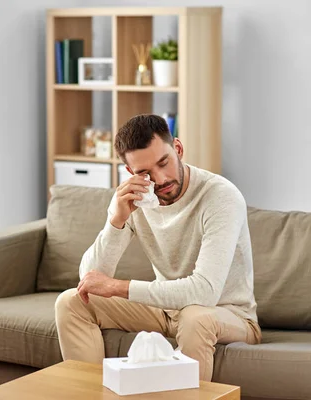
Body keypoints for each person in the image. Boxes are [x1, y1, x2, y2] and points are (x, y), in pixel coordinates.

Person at [54, 114, 261, 381]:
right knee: (71, 302)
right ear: (131, 173)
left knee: (195, 317)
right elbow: (89, 279)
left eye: (164, 162)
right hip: (168, 309)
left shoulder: (221, 197)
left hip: (229, 315)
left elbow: (205, 292)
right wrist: (116, 220)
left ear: (178, 148)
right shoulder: (136, 199)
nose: (160, 179)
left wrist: (119, 287)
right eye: (145, 172)